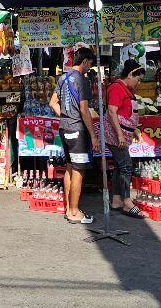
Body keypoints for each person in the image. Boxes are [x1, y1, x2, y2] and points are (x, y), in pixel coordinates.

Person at [49, 47, 98, 224]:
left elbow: (52, 102)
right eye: (90, 64)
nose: (89, 68)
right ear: (84, 61)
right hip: (77, 130)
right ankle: (74, 212)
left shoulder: (63, 78)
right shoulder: (82, 80)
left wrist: (64, 115)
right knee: (79, 170)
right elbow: (84, 110)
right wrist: (93, 135)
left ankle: (70, 208)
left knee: (70, 167)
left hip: (64, 128)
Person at [105, 60, 146, 219]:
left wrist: (134, 129)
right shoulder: (116, 88)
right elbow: (112, 112)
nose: (139, 82)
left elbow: (123, 112)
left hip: (122, 135)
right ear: (130, 75)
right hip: (116, 136)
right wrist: (120, 134)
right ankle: (127, 202)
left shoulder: (125, 89)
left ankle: (116, 200)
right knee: (126, 165)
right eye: (138, 79)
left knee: (119, 166)